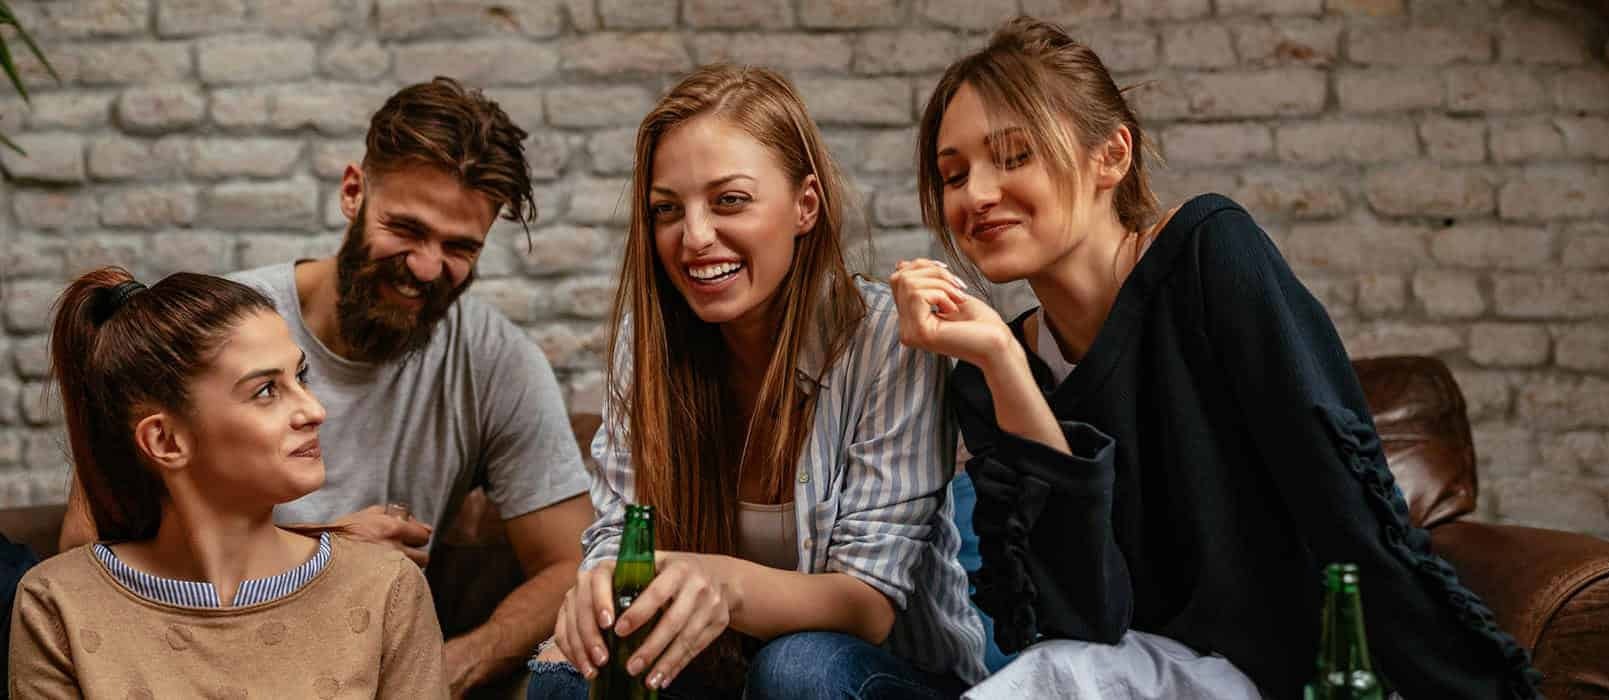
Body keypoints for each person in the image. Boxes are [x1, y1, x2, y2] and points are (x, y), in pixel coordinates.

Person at [890, 17, 1544, 700]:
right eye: (953, 174)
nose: (976, 196)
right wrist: (1001, 361)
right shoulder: (989, 370)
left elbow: (1349, 515)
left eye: (1014, 155)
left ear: (1111, 156)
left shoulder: (1209, 257)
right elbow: (1078, 623)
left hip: (1288, 676)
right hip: (1134, 678)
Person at [58, 77, 595, 696]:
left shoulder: (495, 359)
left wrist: (449, 666)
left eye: (459, 247)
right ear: (352, 192)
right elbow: (81, 547)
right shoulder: (221, 322)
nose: (425, 266)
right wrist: (326, 552)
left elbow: (571, 563)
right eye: (407, 228)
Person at [528, 64, 987, 699]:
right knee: (564, 677)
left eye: (729, 201)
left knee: (799, 672)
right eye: (667, 210)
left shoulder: (888, 340)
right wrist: (601, 587)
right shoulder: (648, 341)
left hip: (878, 675)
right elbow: (619, 529)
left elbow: (869, 603)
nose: (693, 238)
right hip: (714, 668)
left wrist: (721, 583)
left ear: (805, 205)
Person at [11, 267, 446, 698]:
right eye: (265, 391)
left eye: (300, 377)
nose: (314, 410)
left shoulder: (387, 588)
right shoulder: (56, 604)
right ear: (166, 440)